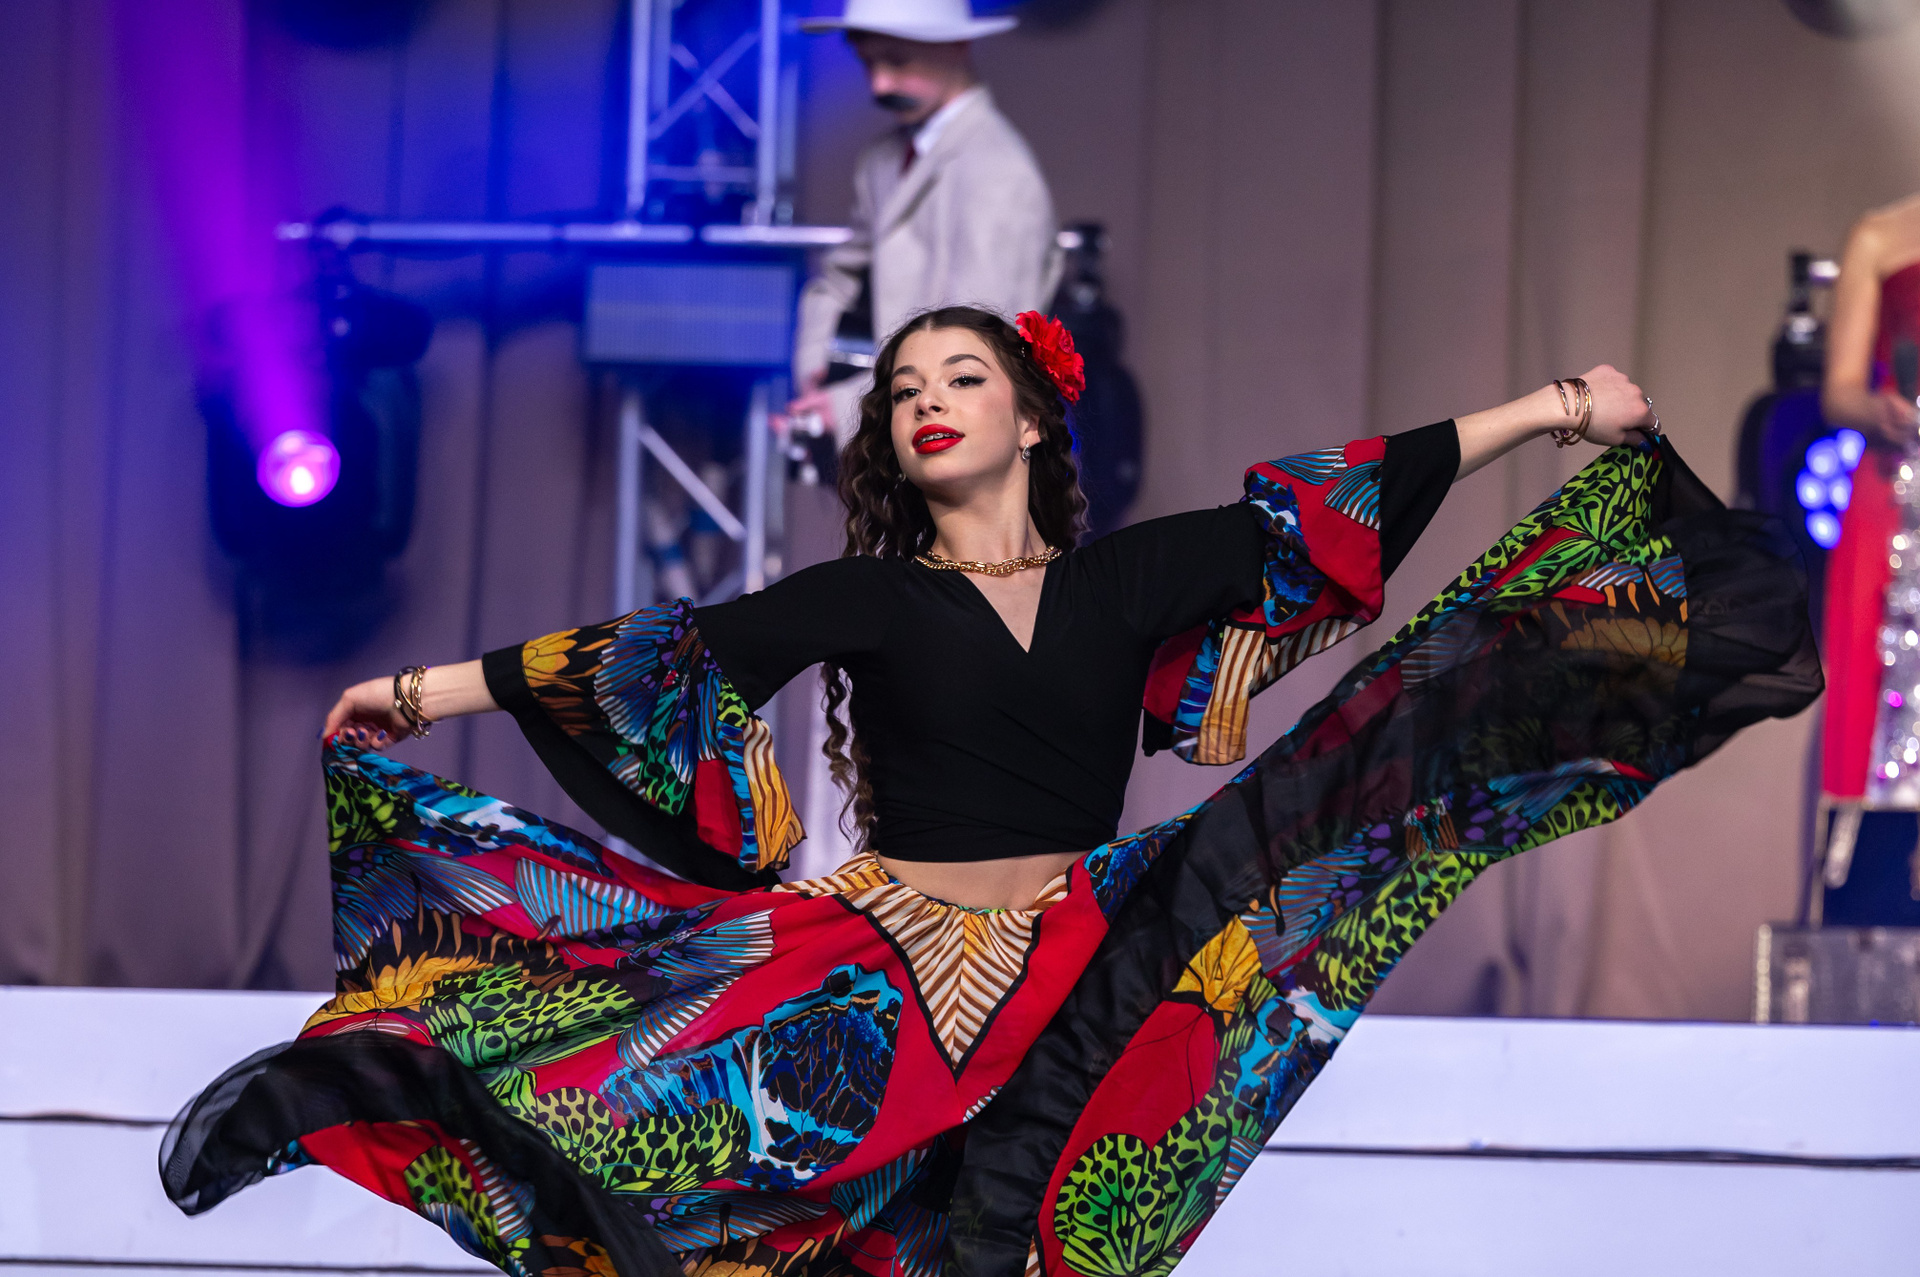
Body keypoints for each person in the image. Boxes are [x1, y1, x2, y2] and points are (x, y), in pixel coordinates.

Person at [163, 307, 1818, 1277]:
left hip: (1088, 944)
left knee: (1331, 795)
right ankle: (339, 1092)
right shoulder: (875, 596)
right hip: (879, 961)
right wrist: (418, 692)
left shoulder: (1121, 583)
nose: (929, 402)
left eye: (960, 376)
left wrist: (1554, 411)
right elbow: (666, 655)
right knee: (683, 1164)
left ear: (1029, 414)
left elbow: (1339, 504)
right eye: (905, 390)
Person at [786, 0, 1061, 445]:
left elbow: (977, 355)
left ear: (958, 45)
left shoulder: (1001, 175)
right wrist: (815, 363)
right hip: (897, 435)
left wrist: (845, 408)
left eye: (896, 61)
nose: (879, 84)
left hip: (946, 443)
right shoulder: (882, 159)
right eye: (867, 62)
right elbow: (840, 274)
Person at [1817, 195, 1920, 921]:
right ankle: (1874, 900)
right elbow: (1839, 392)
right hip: (1898, 493)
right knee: (1886, 695)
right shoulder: (1882, 235)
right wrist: (1880, 410)